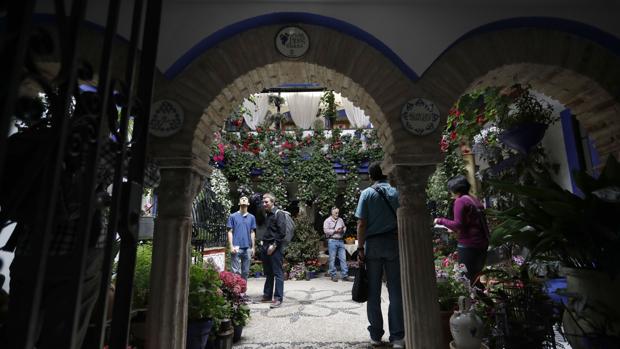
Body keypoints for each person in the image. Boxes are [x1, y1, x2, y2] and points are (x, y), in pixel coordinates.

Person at [355, 162, 404, 348]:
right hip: (393, 243)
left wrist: (360, 248)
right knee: (396, 292)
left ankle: (376, 335)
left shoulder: (367, 194)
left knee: (373, 292)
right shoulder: (395, 192)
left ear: (371, 176)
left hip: (373, 245)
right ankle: (398, 337)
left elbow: (361, 224)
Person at [434, 175, 489, 286]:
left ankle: (474, 302)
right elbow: (470, 224)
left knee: (465, 280)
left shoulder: (460, 201)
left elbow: (458, 225)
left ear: (454, 189)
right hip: (481, 244)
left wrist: (440, 220)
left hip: (469, 245)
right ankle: (484, 302)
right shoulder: (473, 200)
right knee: (474, 278)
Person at [260, 193, 286, 308]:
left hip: (275, 247)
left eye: (266, 202)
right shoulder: (267, 214)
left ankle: (278, 298)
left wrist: (274, 246)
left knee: (278, 273)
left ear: (272, 202)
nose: (264, 204)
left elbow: (282, 233)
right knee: (268, 272)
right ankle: (267, 295)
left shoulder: (278, 214)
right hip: (266, 245)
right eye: (263, 202)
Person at [227, 196, 256, 280]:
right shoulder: (232, 216)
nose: (244, 199)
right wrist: (231, 246)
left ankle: (243, 292)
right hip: (236, 247)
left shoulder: (252, 217)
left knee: (245, 271)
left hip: (247, 248)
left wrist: (253, 247)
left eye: (245, 199)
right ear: (239, 203)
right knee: (235, 271)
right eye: (242, 198)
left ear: (248, 203)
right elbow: (230, 231)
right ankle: (236, 292)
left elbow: (252, 232)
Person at [323, 207, 350, 282]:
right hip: (332, 241)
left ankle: (345, 275)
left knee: (343, 258)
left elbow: (344, 227)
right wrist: (335, 231)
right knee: (332, 259)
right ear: (332, 213)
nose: (337, 214)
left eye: (338, 212)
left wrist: (343, 230)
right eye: (335, 213)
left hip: (340, 241)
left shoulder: (340, 220)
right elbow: (325, 231)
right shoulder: (327, 221)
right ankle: (333, 275)